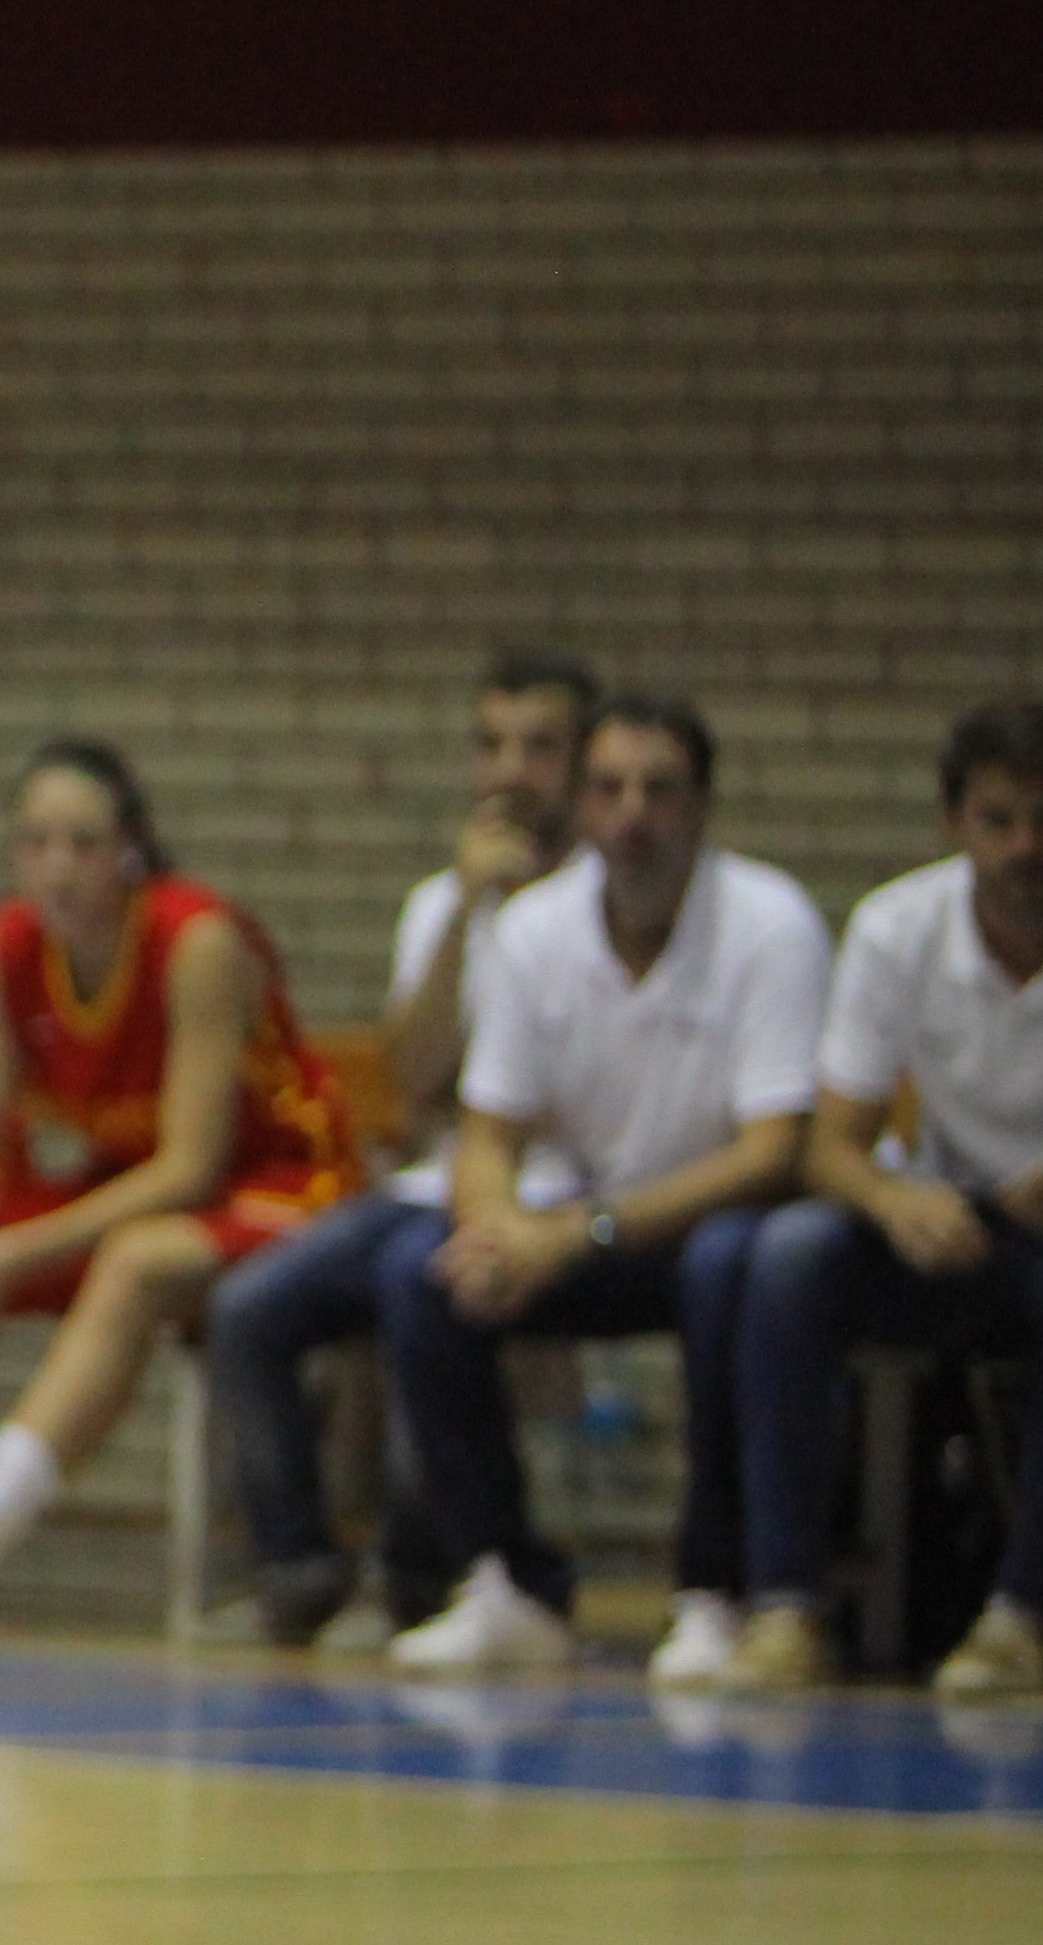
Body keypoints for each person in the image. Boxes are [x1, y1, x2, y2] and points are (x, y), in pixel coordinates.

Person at [0, 741, 365, 1645]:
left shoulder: (194, 940)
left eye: (83, 843)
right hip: (129, 1189)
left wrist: (12, 1255)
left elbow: (191, 1169)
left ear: (129, 850)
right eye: (37, 843)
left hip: (284, 1187)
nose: (59, 866)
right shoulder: (9, 944)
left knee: (133, 1260)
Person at [382, 686, 826, 1676]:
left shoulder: (771, 923)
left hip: (714, 1226)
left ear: (703, 807)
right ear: (582, 806)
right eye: (611, 789)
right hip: (580, 1230)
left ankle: (715, 1590)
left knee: (730, 1269)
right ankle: (505, 1582)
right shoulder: (536, 929)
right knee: (421, 1272)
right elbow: (486, 1131)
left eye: (660, 792)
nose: (633, 815)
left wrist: (573, 1233)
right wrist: (495, 1231)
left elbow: (772, 1154)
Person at [204, 646, 590, 1648]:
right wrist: (469, 911)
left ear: (584, 766)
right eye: (492, 745)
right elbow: (414, 1076)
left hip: (564, 1192)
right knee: (250, 1310)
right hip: (434, 1181)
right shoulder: (440, 901)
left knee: (422, 1287)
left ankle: (425, 1570)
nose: (511, 771)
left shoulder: (607, 905)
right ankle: (300, 1564)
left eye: (540, 747)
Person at [723, 697, 1043, 1698]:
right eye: (1000, 820)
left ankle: (1019, 1615)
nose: (1028, 848)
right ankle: (784, 1602)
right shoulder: (899, 927)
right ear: (954, 825)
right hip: (954, 1224)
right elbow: (830, 1145)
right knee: (789, 1256)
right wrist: (892, 1200)